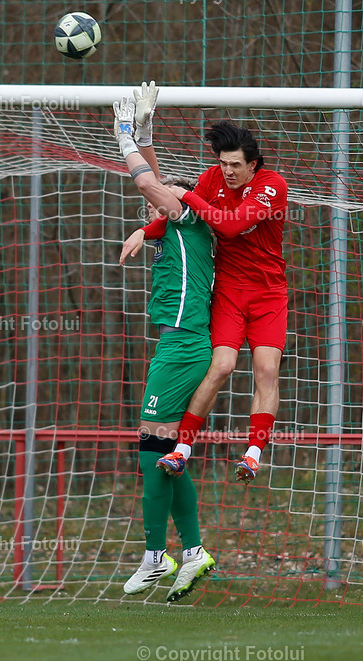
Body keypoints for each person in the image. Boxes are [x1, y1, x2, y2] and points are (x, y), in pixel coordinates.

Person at [122, 96, 289, 484]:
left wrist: (187, 194)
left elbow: (228, 226)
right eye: (222, 163)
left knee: (266, 370)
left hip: (268, 294)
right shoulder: (212, 179)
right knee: (222, 366)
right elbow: (182, 216)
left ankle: (252, 454)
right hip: (229, 289)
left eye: (235, 165)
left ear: (253, 165)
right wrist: (144, 230)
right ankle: (182, 449)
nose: (227, 171)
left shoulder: (272, 186)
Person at [112, 90, 216, 601]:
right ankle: (191, 552)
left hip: (184, 347)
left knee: (152, 447)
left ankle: (158, 555)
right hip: (180, 343)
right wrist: (147, 130)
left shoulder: (188, 216)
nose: (165, 188)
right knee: (162, 451)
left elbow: (150, 181)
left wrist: (124, 135)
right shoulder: (182, 222)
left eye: (177, 188)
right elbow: (157, 180)